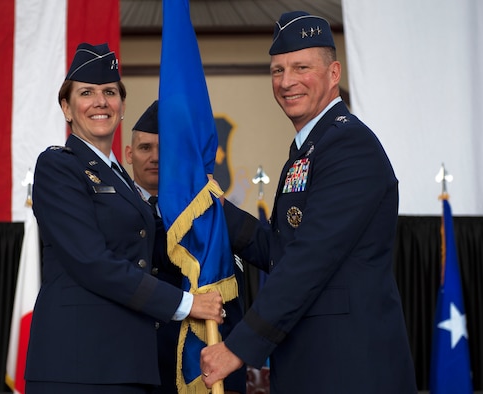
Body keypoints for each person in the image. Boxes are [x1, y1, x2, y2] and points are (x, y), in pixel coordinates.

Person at [200, 11, 418, 393]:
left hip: (348, 368)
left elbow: (310, 259)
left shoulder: (349, 146)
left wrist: (238, 347)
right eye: (277, 70)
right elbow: (281, 250)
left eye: (301, 67)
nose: (286, 82)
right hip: (315, 362)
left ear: (334, 74)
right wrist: (209, 206)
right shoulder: (311, 148)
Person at [24, 42, 224, 394]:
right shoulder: (58, 166)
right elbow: (91, 261)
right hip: (77, 366)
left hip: (129, 363)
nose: (100, 101)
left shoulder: (123, 182)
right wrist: (187, 305)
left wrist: (209, 208)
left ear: (122, 106)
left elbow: (161, 246)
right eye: (86, 93)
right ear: (66, 108)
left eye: (110, 92)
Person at [125, 100, 246, 394]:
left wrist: (228, 383)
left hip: (191, 371)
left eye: (163, 149)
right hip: (129, 367)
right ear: (129, 154)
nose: (155, 157)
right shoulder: (113, 213)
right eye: (144, 148)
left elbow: (225, 296)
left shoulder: (204, 215)